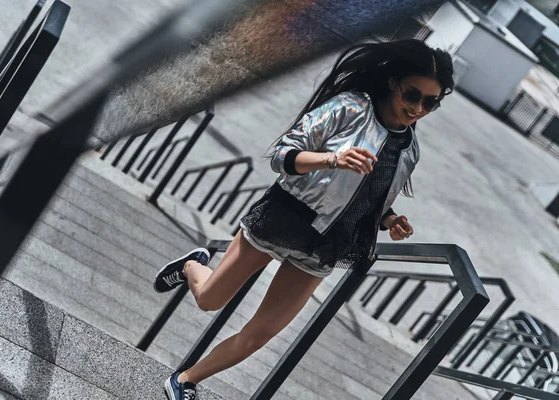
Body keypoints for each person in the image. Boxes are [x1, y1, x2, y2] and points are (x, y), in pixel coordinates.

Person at [155, 39, 454, 400]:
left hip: (328, 243)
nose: (417, 108)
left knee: (261, 333)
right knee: (209, 300)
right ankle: (192, 266)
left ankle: (184, 380)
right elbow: (282, 157)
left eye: (430, 102)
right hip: (286, 217)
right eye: (412, 94)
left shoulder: (409, 148)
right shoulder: (350, 108)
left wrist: (390, 220)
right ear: (393, 82)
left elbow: (367, 196)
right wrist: (332, 159)